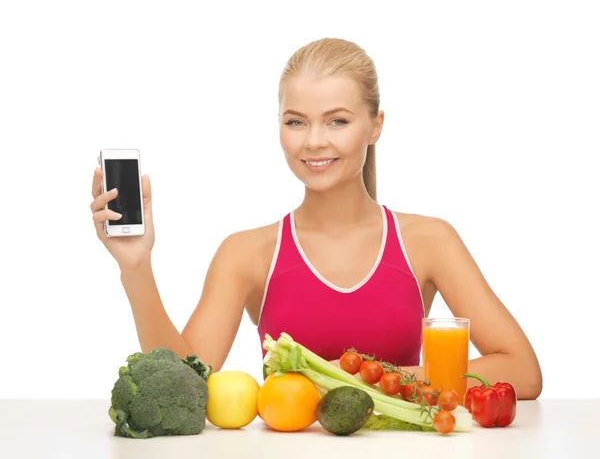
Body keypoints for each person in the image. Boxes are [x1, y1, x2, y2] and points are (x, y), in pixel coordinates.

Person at [89, 38, 542, 400]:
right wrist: (136, 268)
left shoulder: (429, 241)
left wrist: (375, 380)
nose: (315, 141)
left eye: (338, 121)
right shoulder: (246, 253)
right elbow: (184, 380)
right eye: (296, 122)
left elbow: (521, 370)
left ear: (376, 125)